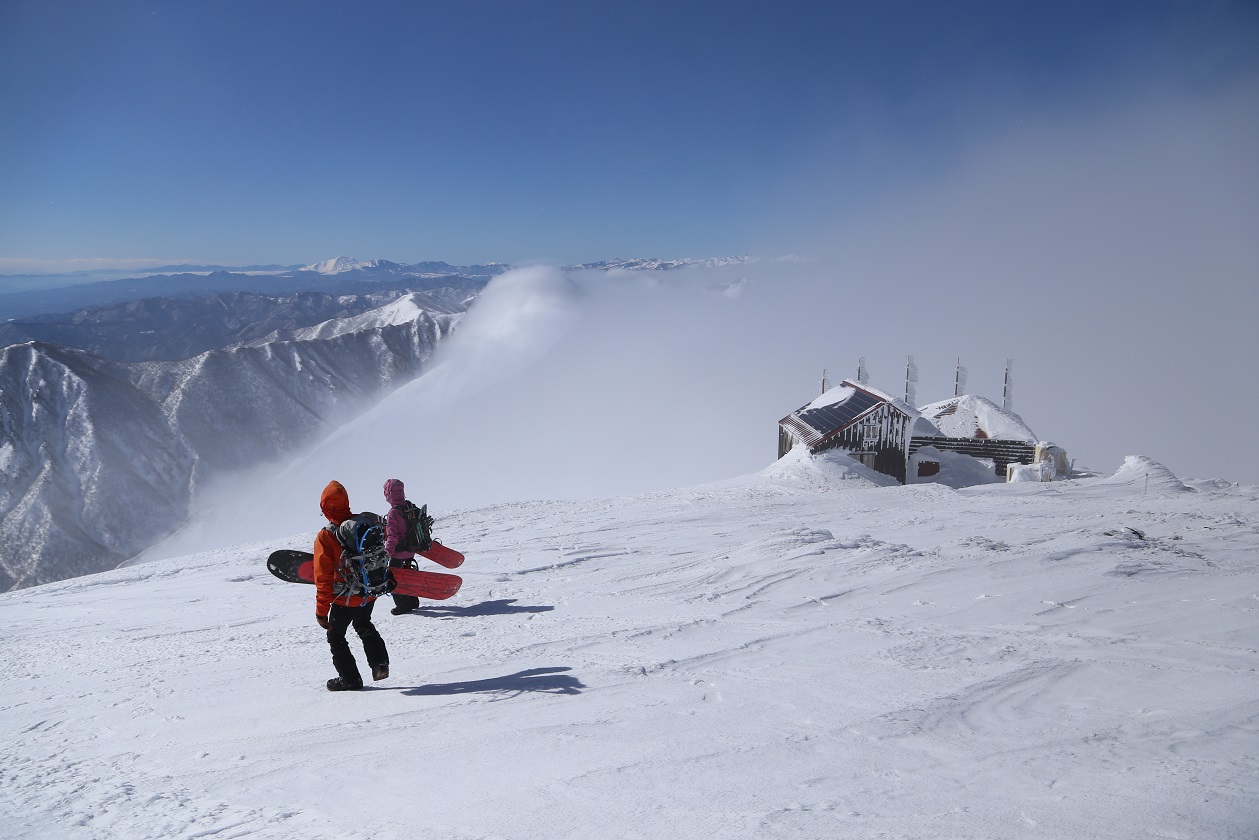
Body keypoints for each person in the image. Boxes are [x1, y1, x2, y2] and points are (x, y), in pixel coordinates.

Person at [315, 480, 389, 691]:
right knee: (364, 624)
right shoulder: (364, 523)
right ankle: (380, 664)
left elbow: (323, 579)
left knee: (336, 635)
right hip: (369, 591)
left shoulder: (326, 535)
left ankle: (350, 679)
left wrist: (321, 612)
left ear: (324, 506)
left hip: (344, 598)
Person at [383, 477, 421, 615]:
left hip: (398, 553)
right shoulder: (409, 506)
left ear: (388, 493)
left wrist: (387, 552)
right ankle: (413, 601)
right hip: (411, 550)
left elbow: (393, 536)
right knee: (408, 575)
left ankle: (403, 606)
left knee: (392, 578)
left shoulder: (393, 512)